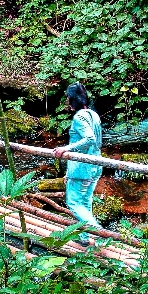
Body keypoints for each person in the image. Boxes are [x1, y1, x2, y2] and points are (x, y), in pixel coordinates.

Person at [52, 83, 103, 244]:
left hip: (82, 168)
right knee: (85, 202)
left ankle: (100, 235)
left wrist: (65, 148)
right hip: (95, 165)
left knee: (73, 202)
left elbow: (90, 139)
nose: (67, 101)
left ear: (72, 99)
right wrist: (68, 171)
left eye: (68, 98)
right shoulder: (93, 115)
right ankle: (86, 236)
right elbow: (97, 143)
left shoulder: (79, 117)